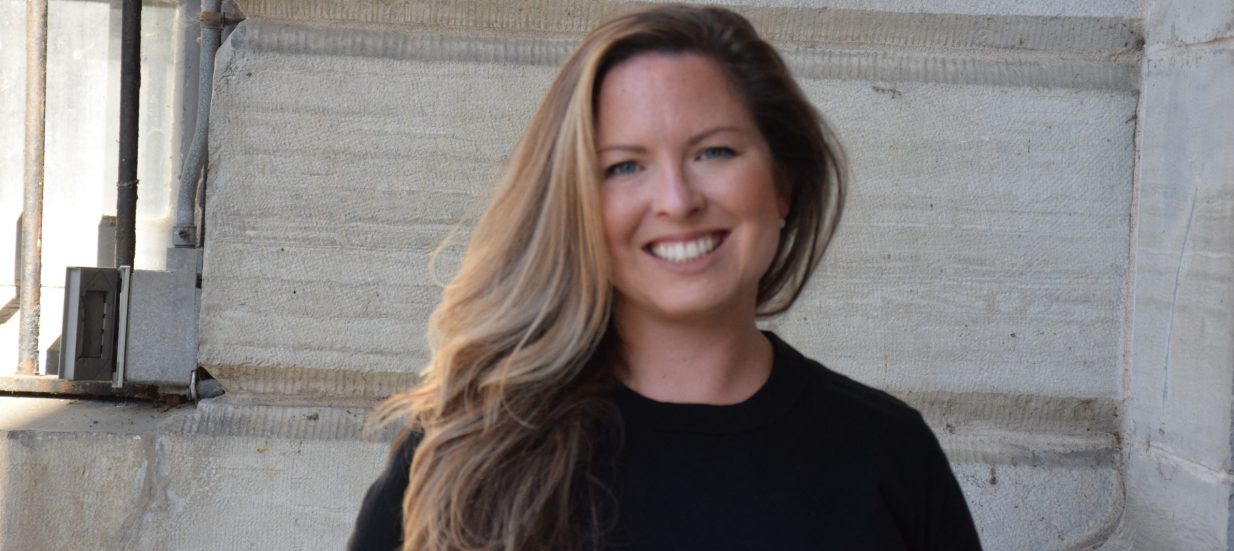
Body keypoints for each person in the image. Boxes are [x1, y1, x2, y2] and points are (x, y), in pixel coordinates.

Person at [349, 5, 982, 551]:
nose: (677, 200)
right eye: (625, 167)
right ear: (578, 205)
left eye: (714, 153)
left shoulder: (885, 453)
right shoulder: (471, 449)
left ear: (784, 183)